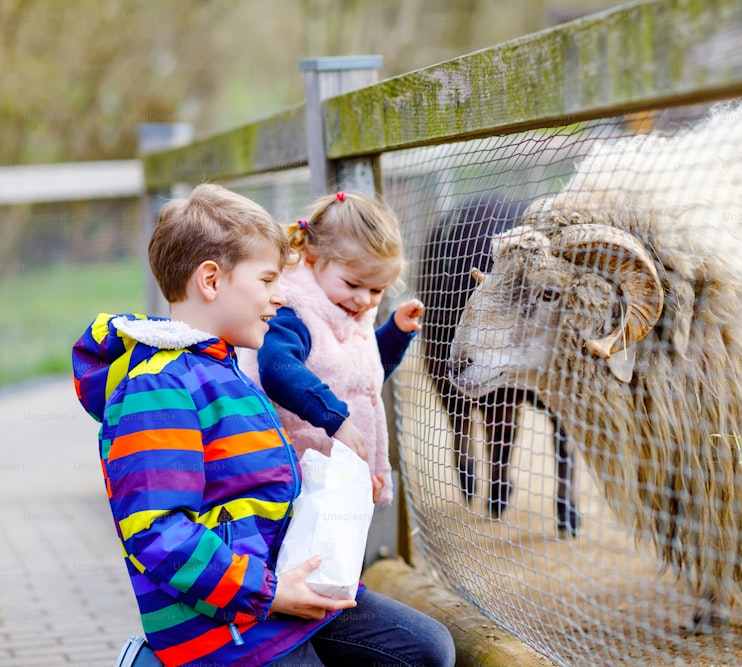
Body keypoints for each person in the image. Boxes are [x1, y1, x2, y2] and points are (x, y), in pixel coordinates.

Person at [72, 183, 455, 667]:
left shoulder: (225, 367)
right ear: (211, 281)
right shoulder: (158, 389)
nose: (279, 299)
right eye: (269, 280)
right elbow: (156, 531)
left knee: (427, 649)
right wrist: (269, 593)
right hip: (221, 622)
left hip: (275, 588)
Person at [241, 191, 424, 509]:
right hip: (292, 476)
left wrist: (394, 332)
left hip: (332, 476)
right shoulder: (291, 310)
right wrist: (336, 420)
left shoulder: (345, 309)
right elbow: (277, 369)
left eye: (377, 289)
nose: (365, 300)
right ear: (312, 259)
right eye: (353, 284)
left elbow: (354, 374)